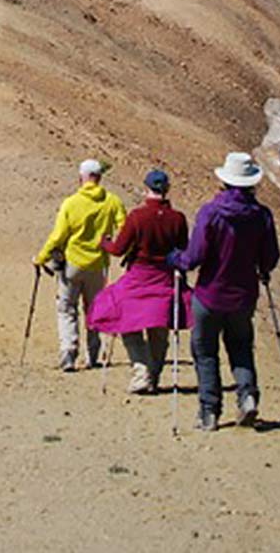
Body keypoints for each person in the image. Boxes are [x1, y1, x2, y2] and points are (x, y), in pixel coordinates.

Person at [168, 151, 280, 431]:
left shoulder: (211, 212)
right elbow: (270, 257)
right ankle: (247, 396)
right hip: (244, 297)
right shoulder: (262, 216)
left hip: (209, 295)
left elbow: (194, 256)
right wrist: (261, 269)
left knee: (205, 351)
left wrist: (175, 259)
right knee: (241, 347)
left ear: (225, 182)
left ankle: (209, 412)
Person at [87, 169, 191, 394]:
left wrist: (104, 243)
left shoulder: (137, 217)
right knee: (159, 327)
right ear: (167, 189)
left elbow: (118, 249)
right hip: (165, 278)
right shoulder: (178, 219)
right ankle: (153, 375)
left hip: (139, 277)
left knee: (125, 321)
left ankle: (141, 370)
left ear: (146, 188)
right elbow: (184, 251)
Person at [34, 159, 126, 372]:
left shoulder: (71, 203)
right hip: (98, 265)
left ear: (81, 177)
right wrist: (111, 244)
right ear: (100, 177)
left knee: (66, 308)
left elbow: (58, 236)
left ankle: (68, 351)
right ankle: (92, 355)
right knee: (93, 309)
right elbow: (124, 227)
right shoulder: (112, 201)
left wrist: (41, 258)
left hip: (72, 265)